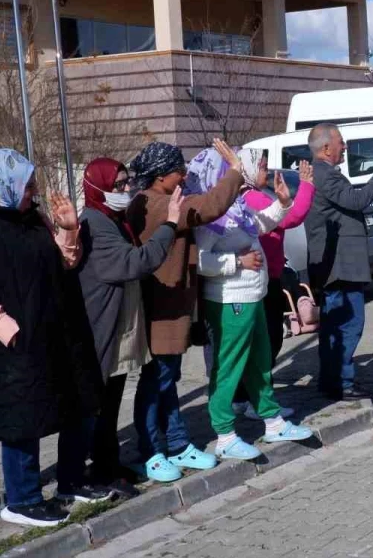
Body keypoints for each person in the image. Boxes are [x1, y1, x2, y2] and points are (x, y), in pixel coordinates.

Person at [0, 149, 110, 527]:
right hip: (13, 341)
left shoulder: (33, 219)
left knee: (78, 400)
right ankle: (22, 500)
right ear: (2, 184)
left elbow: (64, 263)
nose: (33, 190)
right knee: (22, 416)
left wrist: (68, 229)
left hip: (56, 329)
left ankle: (71, 480)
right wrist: (10, 332)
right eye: (27, 184)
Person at [126, 139, 246, 484]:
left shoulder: (153, 199)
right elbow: (207, 206)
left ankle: (176, 443)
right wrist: (235, 172)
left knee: (166, 379)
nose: (184, 175)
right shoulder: (156, 204)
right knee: (156, 381)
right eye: (178, 170)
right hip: (161, 309)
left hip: (169, 308)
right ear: (160, 175)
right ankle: (151, 450)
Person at [190, 148, 313, 460]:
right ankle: (225, 435)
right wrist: (237, 261)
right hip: (231, 300)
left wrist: (283, 204)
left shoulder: (234, 206)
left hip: (253, 295)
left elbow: (258, 225)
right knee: (229, 367)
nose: (237, 172)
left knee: (260, 363)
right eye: (230, 168)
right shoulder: (208, 216)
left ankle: (273, 422)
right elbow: (200, 261)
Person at [76, 158, 182, 498]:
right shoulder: (93, 222)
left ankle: (109, 463)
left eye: (126, 182)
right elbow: (134, 262)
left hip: (121, 324)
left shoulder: (113, 217)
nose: (125, 189)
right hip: (103, 328)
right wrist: (169, 226)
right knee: (100, 406)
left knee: (111, 401)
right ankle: (99, 471)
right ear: (99, 188)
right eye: (118, 185)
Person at [306, 123, 373, 400]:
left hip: (340, 262)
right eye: (341, 142)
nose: (344, 147)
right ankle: (340, 382)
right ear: (326, 148)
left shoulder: (325, 173)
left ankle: (334, 380)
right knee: (348, 324)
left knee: (337, 325)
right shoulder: (325, 175)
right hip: (340, 264)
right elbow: (357, 200)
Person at [236, 160, 315, 417]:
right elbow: (292, 217)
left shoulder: (250, 196)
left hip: (265, 276)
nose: (266, 172)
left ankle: (242, 398)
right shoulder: (254, 198)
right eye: (260, 167)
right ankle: (257, 401)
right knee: (269, 341)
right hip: (263, 279)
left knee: (261, 341)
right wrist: (306, 185)